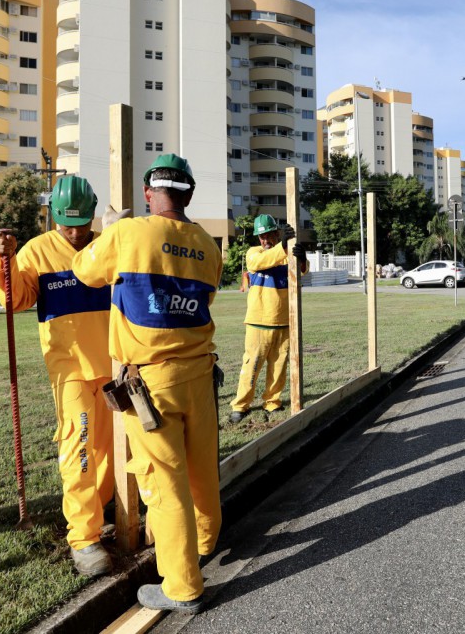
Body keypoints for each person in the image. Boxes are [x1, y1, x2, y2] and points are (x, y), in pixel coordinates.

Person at [73, 153, 223, 613]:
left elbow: (84, 271)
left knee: (163, 482)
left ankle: (182, 586)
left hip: (151, 385)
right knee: (202, 469)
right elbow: (207, 293)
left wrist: (111, 229)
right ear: (188, 196)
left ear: (147, 193)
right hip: (199, 374)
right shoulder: (209, 245)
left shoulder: (129, 233)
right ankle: (205, 542)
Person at [0, 175, 115, 577]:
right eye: (66, 224)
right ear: (54, 217)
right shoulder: (37, 251)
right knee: (78, 446)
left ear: (93, 215)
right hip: (70, 366)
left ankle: (103, 507)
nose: (75, 232)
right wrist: (5, 263)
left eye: (82, 224)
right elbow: (17, 300)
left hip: (115, 362)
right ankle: (84, 536)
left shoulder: (107, 245)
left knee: (111, 448)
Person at [229, 214, 306, 423]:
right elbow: (262, 261)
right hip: (258, 322)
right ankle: (240, 405)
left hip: (284, 321)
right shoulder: (254, 253)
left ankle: (272, 402)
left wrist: (302, 257)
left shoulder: (286, 255)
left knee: (278, 366)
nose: (265, 240)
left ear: (277, 233)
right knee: (251, 365)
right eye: (262, 236)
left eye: (269, 235)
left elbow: (303, 271)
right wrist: (283, 247)